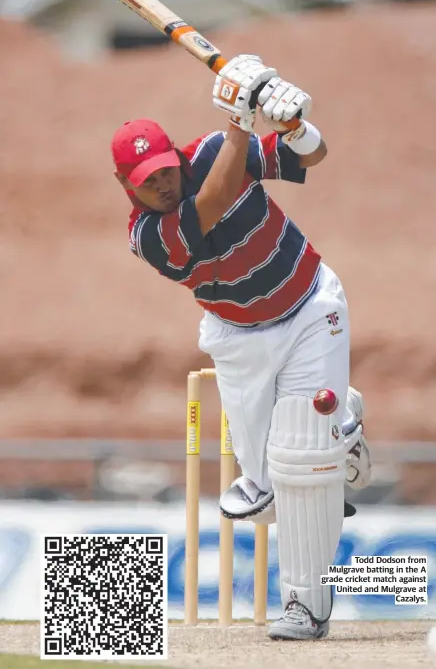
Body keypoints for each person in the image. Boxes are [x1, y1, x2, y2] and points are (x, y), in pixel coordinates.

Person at [111, 54, 371, 640]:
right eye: (145, 180)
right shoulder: (147, 238)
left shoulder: (207, 153)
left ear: (175, 155)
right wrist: (239, 116)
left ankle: (306, 607)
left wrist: (294, 122)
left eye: (163, 169)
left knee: (303, 461)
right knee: (268, 486)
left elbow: (310, 156)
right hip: (238, 342)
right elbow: (210, 204)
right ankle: (343, 418)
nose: (161, 183)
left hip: (309, 307)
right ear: (126, 187)